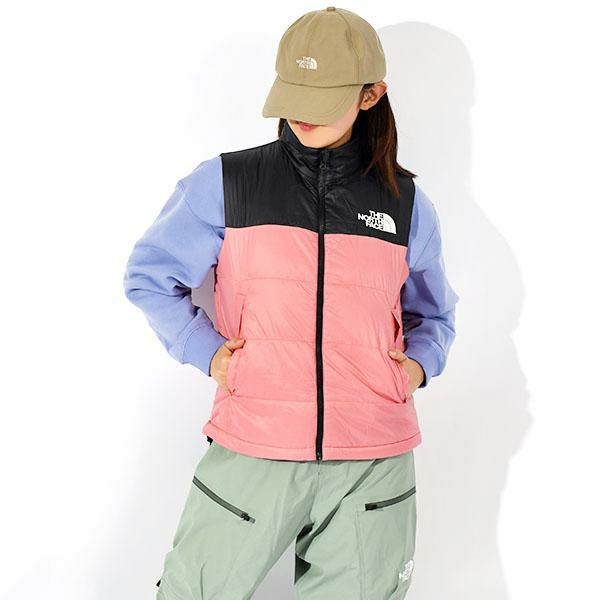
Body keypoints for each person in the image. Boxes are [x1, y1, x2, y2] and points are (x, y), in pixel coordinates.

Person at [123, 6, 459, 599]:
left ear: (370, 95)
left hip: (371, 459)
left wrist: (414, 367)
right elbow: (150, 276)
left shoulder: (405, 204)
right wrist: (210, 354)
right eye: (294, 93)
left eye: (323, 97)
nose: (302, 113)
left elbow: (432, 313)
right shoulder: (226, 183)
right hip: (255, 443)